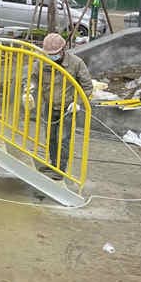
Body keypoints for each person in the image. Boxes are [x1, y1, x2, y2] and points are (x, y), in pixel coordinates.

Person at [34, 32, 93, 179]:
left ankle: (60, 169)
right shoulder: (42, 61)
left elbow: (87, 86)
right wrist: (28, 89)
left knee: (63, 139)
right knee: (51, 137)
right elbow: (32, 77)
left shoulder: (76, 63)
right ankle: (53, 164)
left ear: (63, 50)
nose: (51, 56)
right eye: (49, 54)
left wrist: (77, 102)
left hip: (68, 108)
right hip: (49, 105)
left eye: (54, 54)